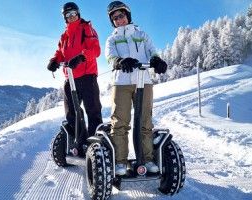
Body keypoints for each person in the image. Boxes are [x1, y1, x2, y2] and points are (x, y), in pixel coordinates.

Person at [105, 1, 168, 175]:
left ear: (128, 15)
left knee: (145, 122)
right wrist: (119, 62)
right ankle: (120, 162)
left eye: (121, 15)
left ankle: (147, 159)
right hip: (122, 83)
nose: (119, 20)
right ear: (113, 21)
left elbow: (152, 51)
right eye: (115, 18)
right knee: (120, 123)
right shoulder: (112, 39)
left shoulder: (142, 35)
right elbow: (110, 57)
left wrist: (156, 60)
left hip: (144, 82)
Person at [47, 2, 103, 153]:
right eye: (68, 15)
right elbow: (60, 52)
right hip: (70, 78)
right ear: (65, 18)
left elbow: (95, 50)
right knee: (72, 113)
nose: (71, 17)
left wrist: (81, 57)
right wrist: (54, 61)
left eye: (73, 14)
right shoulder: (64, 36)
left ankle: (95, 145)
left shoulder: (86, 28)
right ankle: (80, 142)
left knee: (93, 111)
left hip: (87, 76)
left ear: (78, 13)